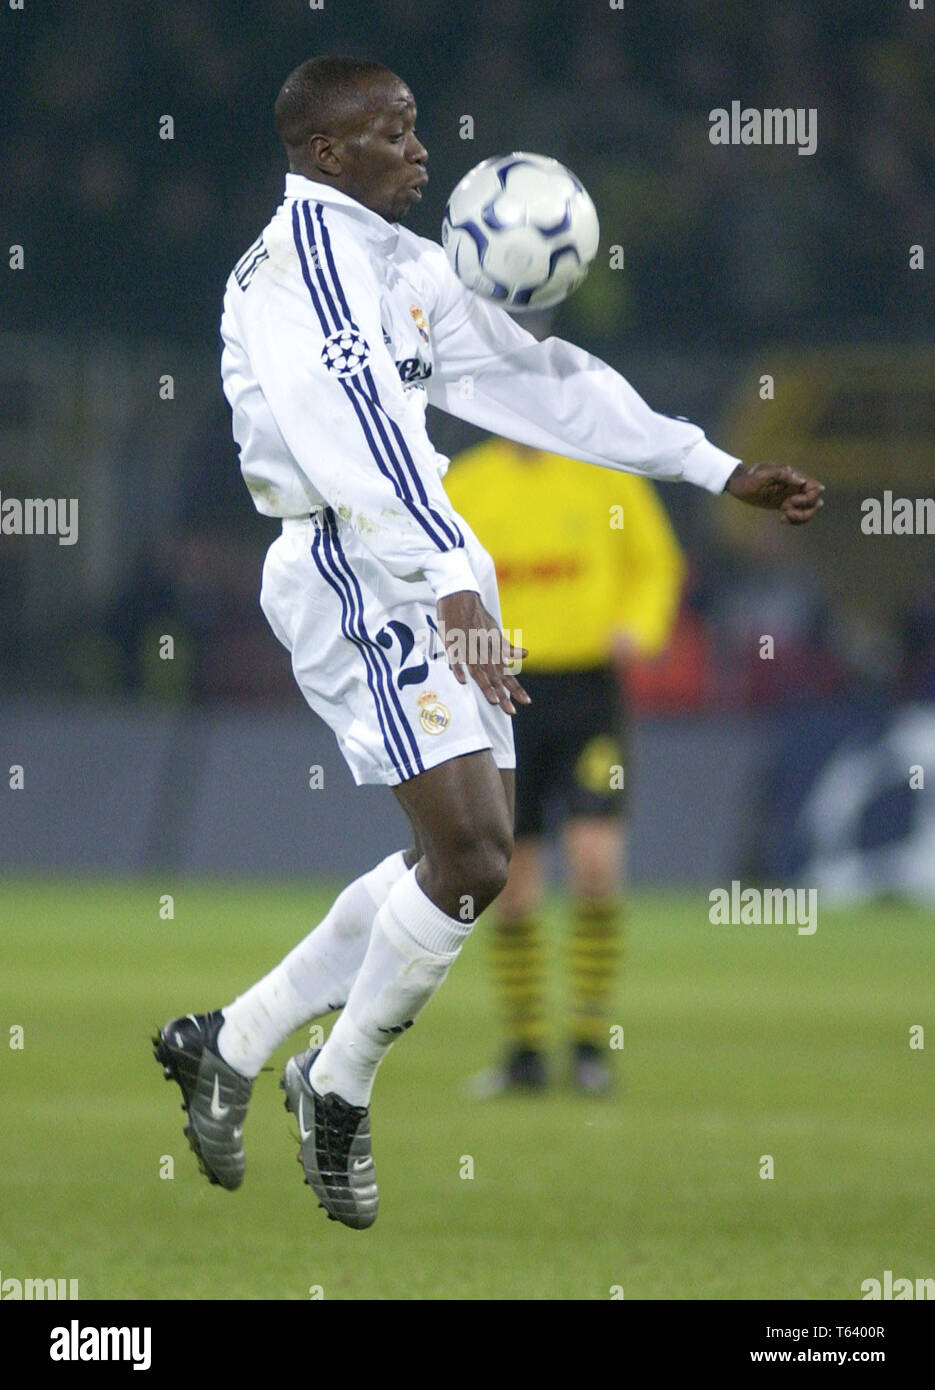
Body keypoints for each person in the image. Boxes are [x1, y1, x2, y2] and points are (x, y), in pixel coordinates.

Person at [153, 54, 824, 1231]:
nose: (423, 151)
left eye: (418, 130)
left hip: (418, 563)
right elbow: (357, 445)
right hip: (355, 563)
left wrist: (707, 464)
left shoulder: (402, 264)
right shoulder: (300, 274)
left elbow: (545, 381)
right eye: (397, 133)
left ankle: (236, 1040)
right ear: (327, 153)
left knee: (461, 854)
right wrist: (451, 590)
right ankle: (336, 1080)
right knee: (472, 860)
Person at [444, 439, 686, 1095]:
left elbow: (655, 563)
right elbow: (427, 576)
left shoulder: (604, 479)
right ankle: (524, 1051)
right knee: (512, 886)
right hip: (502, 695)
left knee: (595, 866)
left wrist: (640, 624)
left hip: (587, 694)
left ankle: (587, 1044)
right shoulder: (465, 484)